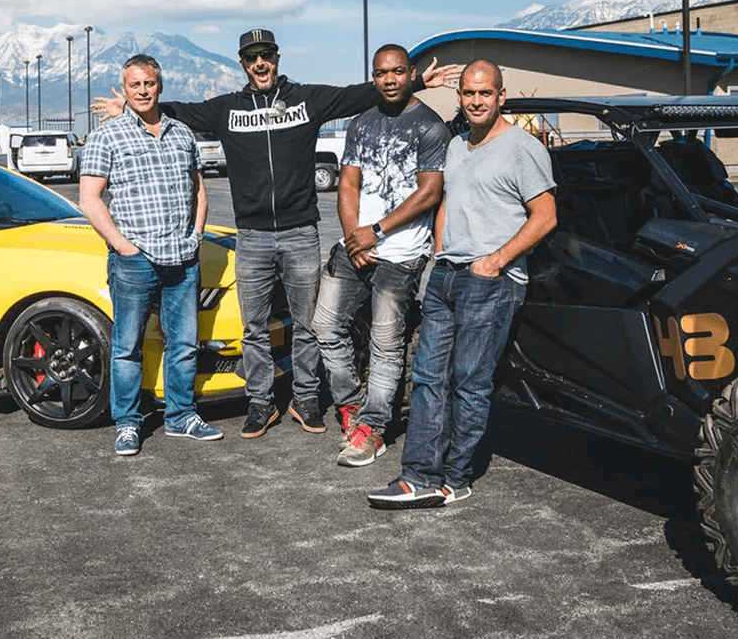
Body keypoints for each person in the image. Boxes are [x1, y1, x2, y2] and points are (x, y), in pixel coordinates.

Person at [93, 30, 461, 439]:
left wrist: (420, 81)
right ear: (243, 63)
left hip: (301, 232)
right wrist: (129, 106)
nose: (259, 63)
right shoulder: (226, 109)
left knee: (306, 325)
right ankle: (260, 403)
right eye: (251, 57)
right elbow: (180, 110)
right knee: (253, 327)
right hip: (250, 235)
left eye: (265, 55)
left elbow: (360, 94)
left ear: (277, 57)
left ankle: (305, 399)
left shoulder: (307, 100)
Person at [368, 59, 557, 507]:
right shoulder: (456, 147)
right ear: (460, 97)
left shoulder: (522, 148)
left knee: (469, 383)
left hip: (491, 280)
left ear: (500, 96)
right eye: (469, 94)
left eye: (484, 93)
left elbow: (546, 215)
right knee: (428, 377)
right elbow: (448, 200)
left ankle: (455, 477)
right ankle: (418, 475)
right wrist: (440, 251)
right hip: (447, 276)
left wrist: (496, 260)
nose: (476, 101)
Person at [311, 44, 450, 467]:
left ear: (411, 74)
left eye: (396, 72)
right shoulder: (361, 123)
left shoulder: (430, 126)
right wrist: (354, 235)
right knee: (324, 326)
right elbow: (348, 183)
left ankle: (373, 429)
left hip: (401, 253)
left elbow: (429, 192)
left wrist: (377, 232)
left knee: (386, 343)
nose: (389, 79)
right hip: (357, 245)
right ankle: (353, 404)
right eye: (380, 73)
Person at [80, 54, 222, 456]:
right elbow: (90, 199)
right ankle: (127, 423)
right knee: (127, 345)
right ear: (124, 90)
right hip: (134, 261)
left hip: (182, 257)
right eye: (134, 85)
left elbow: (199, 191)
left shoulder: (181, 133)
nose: (143, 91)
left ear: (160, 86)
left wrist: (196, 234)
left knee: (185, 342)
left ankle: (181, 416)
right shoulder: (106, 136)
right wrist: (123, 246)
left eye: (150, 83)